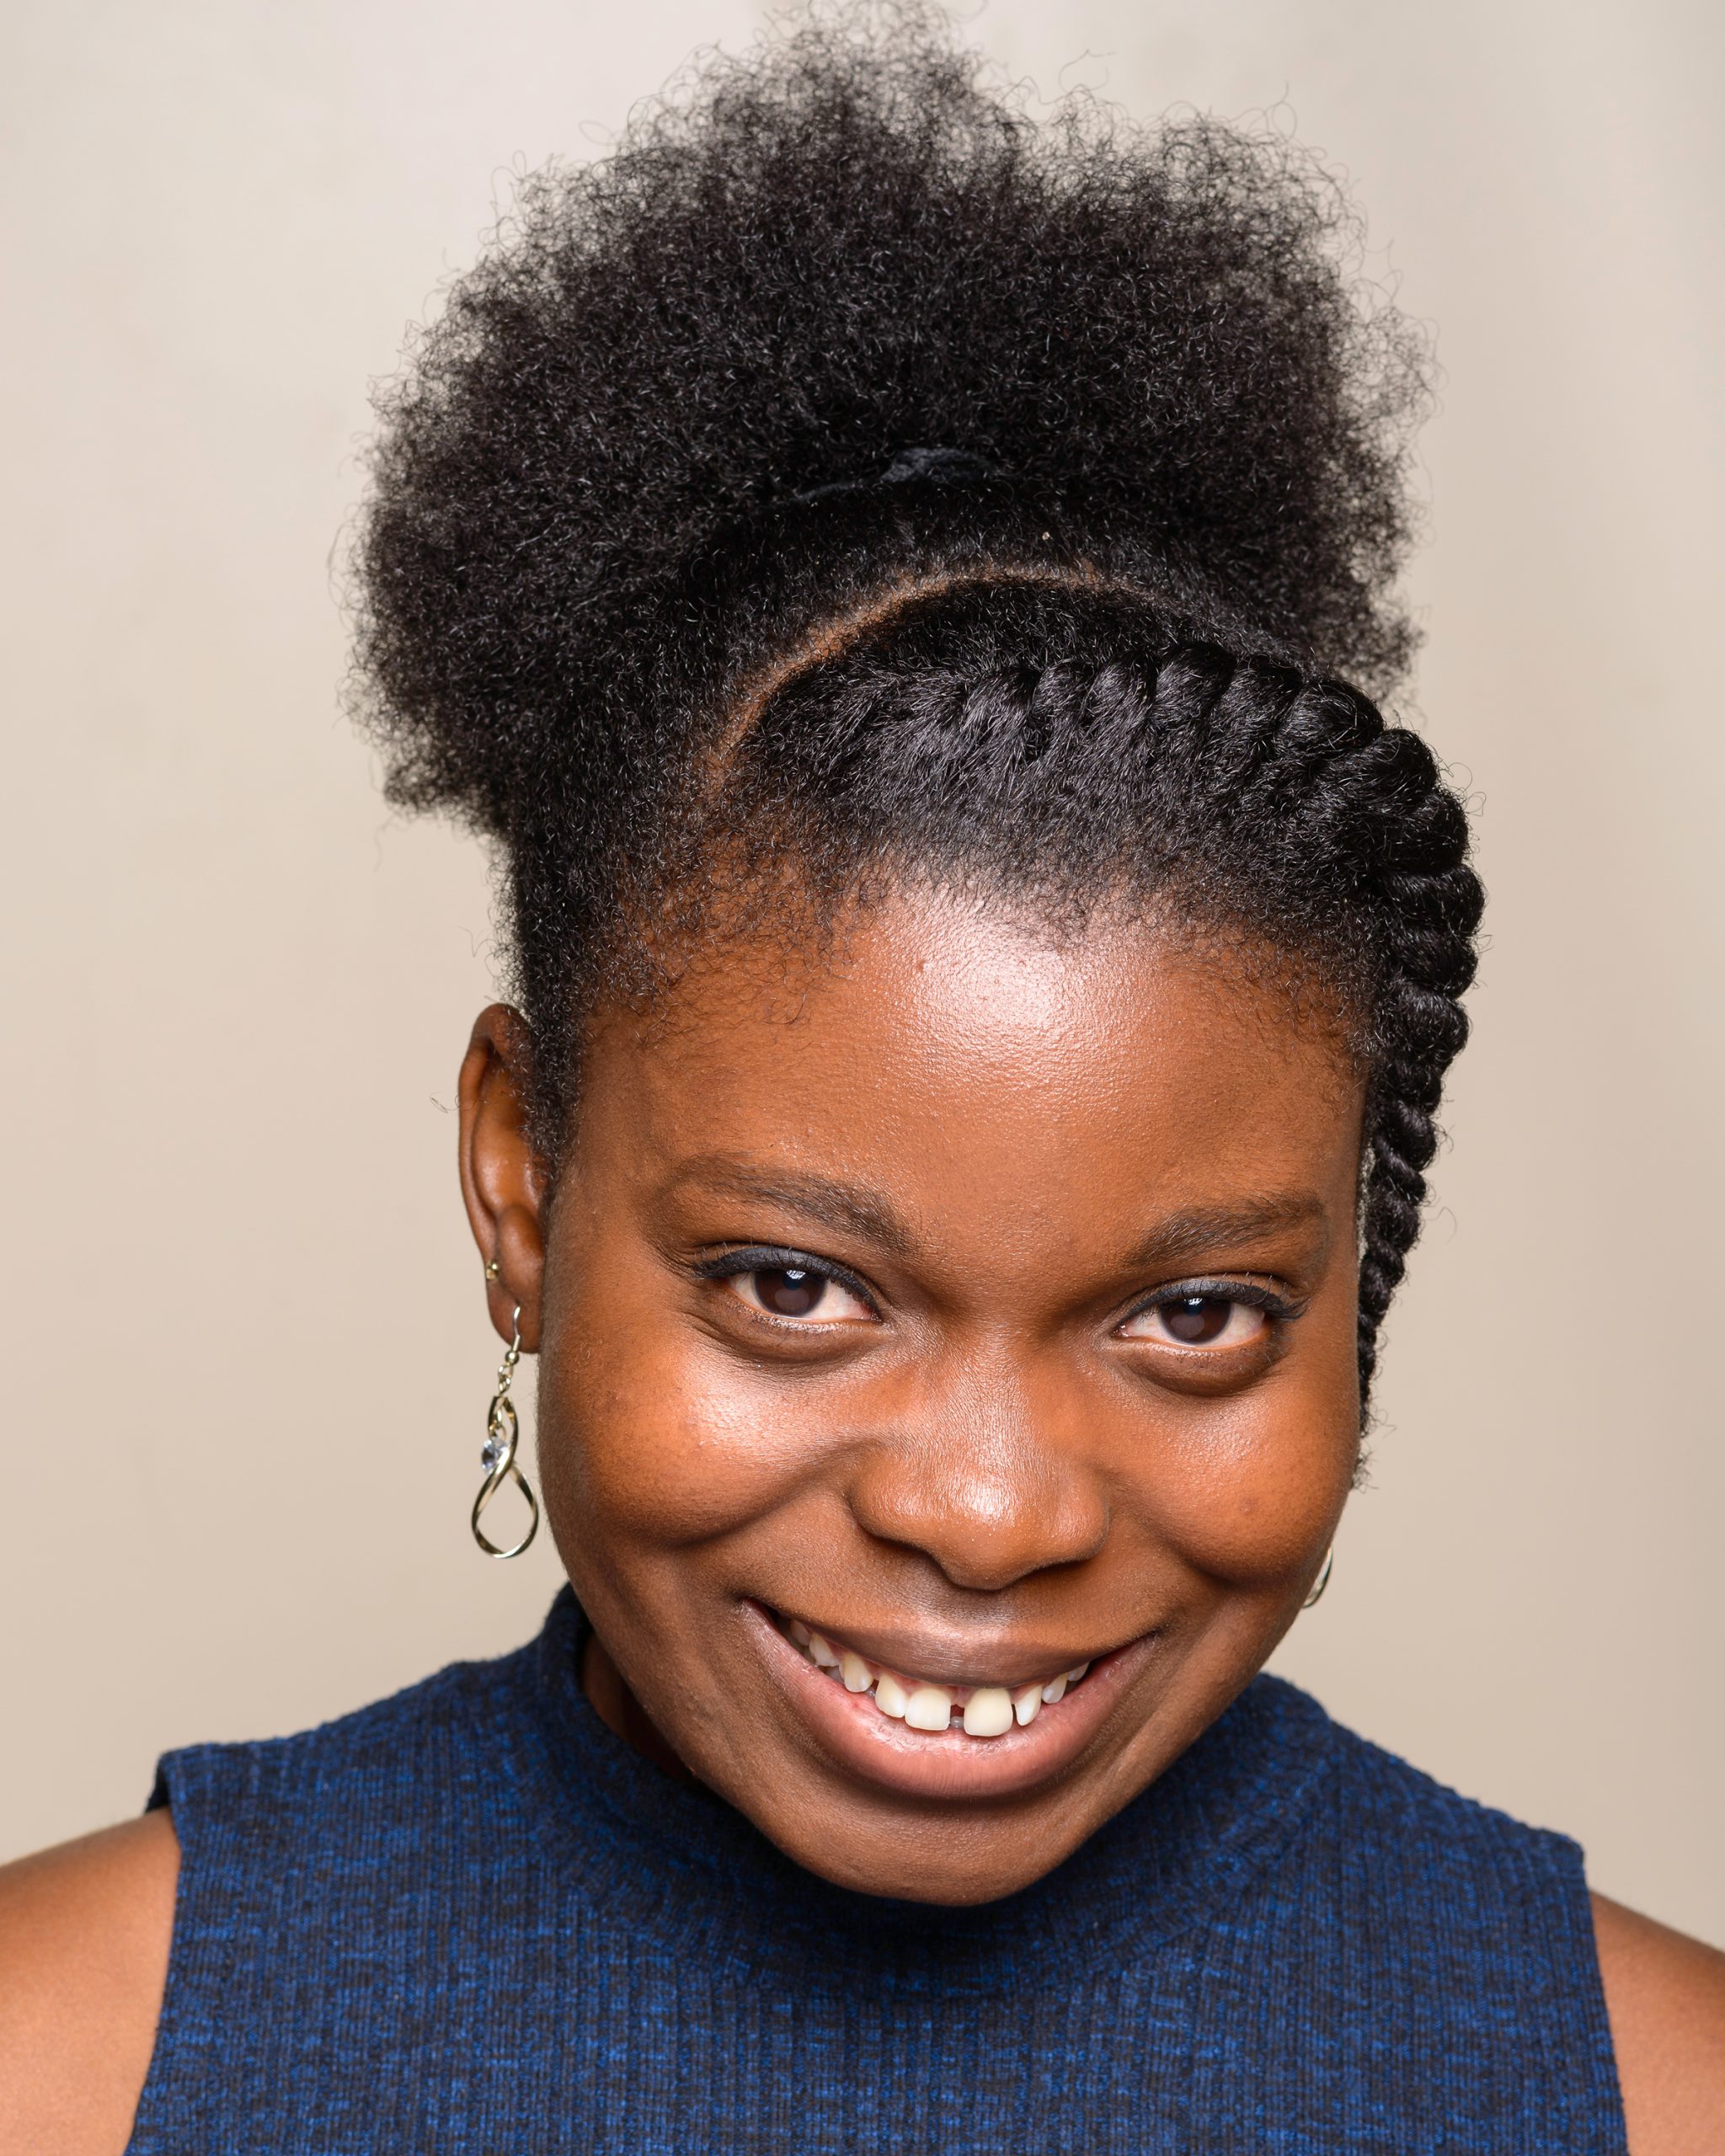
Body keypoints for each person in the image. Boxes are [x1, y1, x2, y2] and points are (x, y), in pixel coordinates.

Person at [3, 9, 1721, 2151]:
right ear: (519, 1180)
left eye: (1193, 1313)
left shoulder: (1645, 2089)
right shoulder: (74, 2056)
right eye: (794, 1284)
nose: (988, 1512)